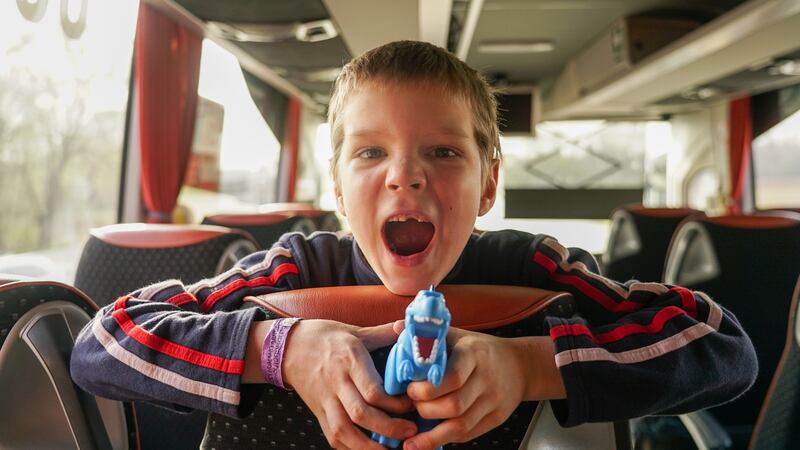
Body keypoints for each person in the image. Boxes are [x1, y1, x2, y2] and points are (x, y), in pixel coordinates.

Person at [71, 40, 757, 450]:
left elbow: (723, 345)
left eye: (443, 151)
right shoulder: (294, 270)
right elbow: (102, 342)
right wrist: (282, 349)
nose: (406, 173)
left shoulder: (532, 267)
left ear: (488, 186)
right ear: (339, 191)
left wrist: (528, 365)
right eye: (371, 152)